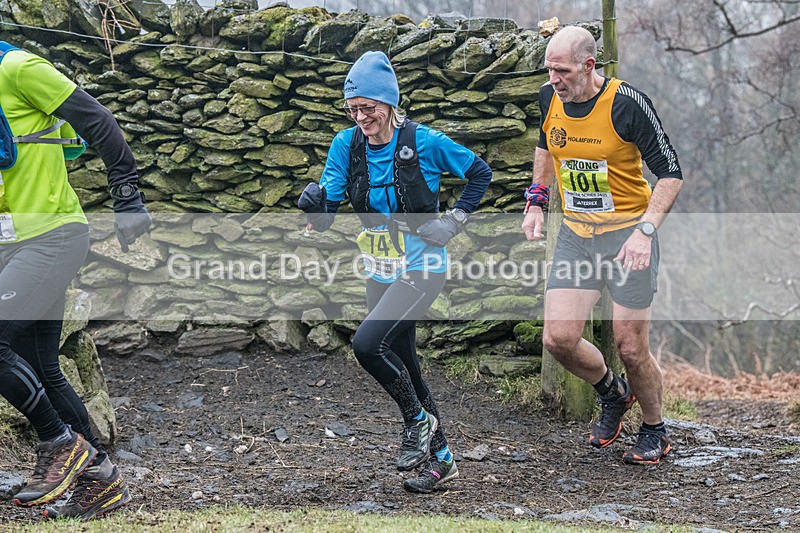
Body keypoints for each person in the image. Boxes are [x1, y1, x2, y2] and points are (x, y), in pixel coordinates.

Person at [298, 51, 492, 492]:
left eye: (369, 107)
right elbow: (327, 209)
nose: (362, 117)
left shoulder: (423, 141)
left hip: (424, 265)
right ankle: (442, 460)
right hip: (380, 266)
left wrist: (455, 220)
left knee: (367, 344)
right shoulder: (345, 146)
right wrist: (313, 206)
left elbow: (480, 172)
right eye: (354, 109)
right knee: (406, 363)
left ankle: (416, 422)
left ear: (389, 103)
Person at [0, 42, 150, 518]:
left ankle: (60, 444)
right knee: (41, 367)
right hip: (9, 244)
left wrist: (127, 195)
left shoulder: (19, 68)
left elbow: (98, 120)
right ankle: (101, 481)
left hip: (51, 236)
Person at [521, 26, 683, 464]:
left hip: (627, 235)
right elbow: (546, 144)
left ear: (589, 66)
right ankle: (613, 393)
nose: (554, 79)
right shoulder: (548, 97)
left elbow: (671, 173)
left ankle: (655, 430)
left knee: (631, 346)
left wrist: (645, 232)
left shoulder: (627, 104)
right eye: (549, 69)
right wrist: (536, 201)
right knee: (559, 338)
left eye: (563, 70)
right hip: (577, 235)